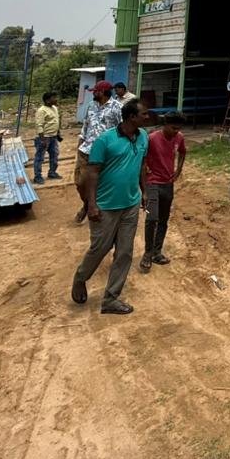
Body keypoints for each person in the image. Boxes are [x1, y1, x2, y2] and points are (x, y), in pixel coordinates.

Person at [71, 98, 148, 315]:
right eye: (143, 114)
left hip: (130, 204)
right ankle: (81, 277)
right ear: (131, 117)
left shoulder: (143, 137)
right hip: (105, 205)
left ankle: (111, 298)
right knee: (100, 248)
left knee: (124, 252)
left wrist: (144, 192)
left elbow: (142, 165)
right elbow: (92, 173)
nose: (147, 117)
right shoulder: (105, 140)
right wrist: (91, 205)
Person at [140, 112, 188, 273]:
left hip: (168, 184)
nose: (176, 131)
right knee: (151, 217)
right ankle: (147, 253)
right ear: (165, 124)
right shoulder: (152, 139)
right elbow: (143, 162)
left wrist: (178, 170)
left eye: (178, 128)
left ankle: (157, 252)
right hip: (152, 183)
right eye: (173, 128)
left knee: (163, 219)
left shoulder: (179, 137)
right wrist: (144, 190)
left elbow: (183, 152)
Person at [75, 81, 123, 223]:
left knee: (102, 183)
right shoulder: (91, 105)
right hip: (86, 150)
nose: (93, 93)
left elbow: (122, 128)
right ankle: (87, 203)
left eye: (95, 91)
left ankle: (93, 207)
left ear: (102, 92)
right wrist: (80, 141)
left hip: (105, 153)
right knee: (80, 183)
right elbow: (86, 125)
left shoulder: (117, 107)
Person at [33, 91, 62, 185]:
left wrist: (58, 133)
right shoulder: (41, 111)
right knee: (40, 158)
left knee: (54, 155)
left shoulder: (54, 108)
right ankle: (37, 177)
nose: (56, 99)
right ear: (47, 100)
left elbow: (55, 121)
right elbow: (39, 125)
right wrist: (42, 139)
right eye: (54, 98)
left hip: (53, 137)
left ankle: (52, 173)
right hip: (44, 137)